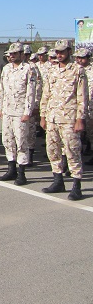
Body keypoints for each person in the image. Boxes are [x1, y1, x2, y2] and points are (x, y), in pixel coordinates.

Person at [40, 39, 87, 200]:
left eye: (62, 51)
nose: (59, 54)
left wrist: (80, 119)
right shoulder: (52, 71)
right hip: (52, 117)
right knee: (52, 150)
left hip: (69, 118)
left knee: (72, 150)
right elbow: (46, 94)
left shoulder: (77, 70)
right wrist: (43, 115)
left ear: (69, 51)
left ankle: (76, 185)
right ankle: (58, 180)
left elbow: (82, 97)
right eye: (57, 52)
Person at [0, 43, 37, 184]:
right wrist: (0, 107)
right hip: (7, 110)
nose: (11, 56)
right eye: (10, 54)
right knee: (7, 140)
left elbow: (31, 92)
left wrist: (27, 112)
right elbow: (2, 89)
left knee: (21, 142)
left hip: (20, 112)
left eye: (14, 53)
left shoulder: (29, 69)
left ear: (22, 54)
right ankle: (11, 169)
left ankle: (21, 173)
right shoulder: (6, 69)